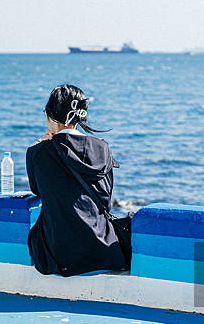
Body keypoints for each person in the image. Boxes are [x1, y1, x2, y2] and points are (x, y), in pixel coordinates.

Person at [26, 84, 130, 277]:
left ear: (50, 116)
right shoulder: (103, 148)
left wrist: (41, 146)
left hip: (58, 255)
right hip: (104, 249)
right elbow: (105, 197)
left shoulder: (37, 154)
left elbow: (38, 191)